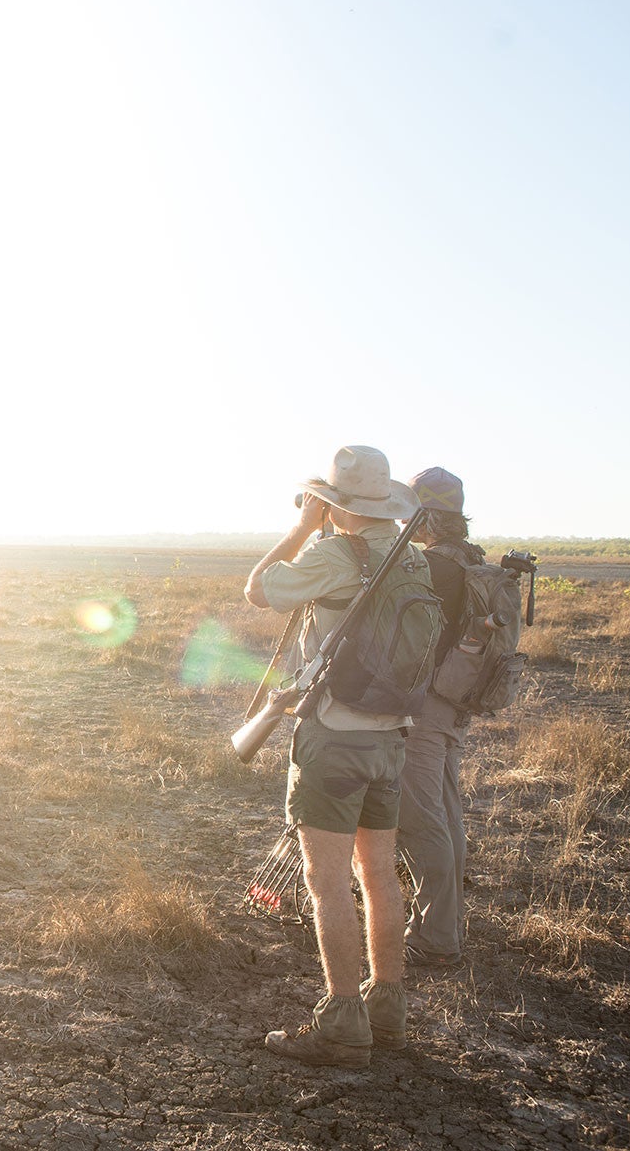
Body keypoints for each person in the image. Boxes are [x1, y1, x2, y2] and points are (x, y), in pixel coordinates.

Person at [243, 445, 424, 1066]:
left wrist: (301, 527)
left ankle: (341, 1023)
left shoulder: (333, 553)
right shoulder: (413, 563)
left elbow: (258, 590)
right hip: (391, 738)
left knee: (326, 883)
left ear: (336, 501)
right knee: (378, 875)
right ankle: (387, 1010)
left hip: (334, 739)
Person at [400, 466, 480, 967]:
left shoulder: (431, 567)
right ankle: (443, 924)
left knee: (420, 816)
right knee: (446, 814)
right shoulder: (470, 561)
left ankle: (435, 936)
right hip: (452, 703)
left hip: (426, 706)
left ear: (424, 515)